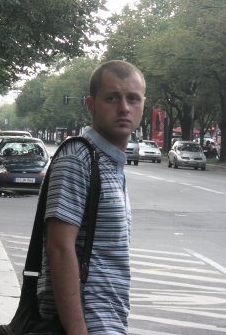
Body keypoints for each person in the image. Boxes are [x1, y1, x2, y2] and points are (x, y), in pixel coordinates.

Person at [37, 60, 145, 335]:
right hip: (89, 324)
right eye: (112, 98)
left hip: (109, 320)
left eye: (133, 99)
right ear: (90, 104)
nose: (124, 108)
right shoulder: (79, 159)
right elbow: (59, 248)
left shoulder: (109, 162)